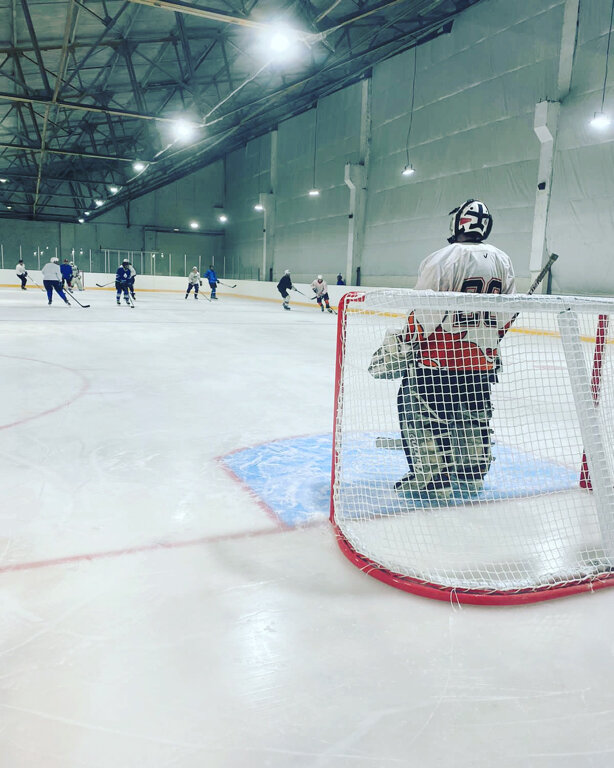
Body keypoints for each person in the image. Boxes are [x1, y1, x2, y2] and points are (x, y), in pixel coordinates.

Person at [368, 199, 515, 498]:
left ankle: (433, 479)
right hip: (480, 361)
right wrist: (489, 341)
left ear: (458, 222)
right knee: (473, 416)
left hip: (438, 360)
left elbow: (425, 311)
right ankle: (471, 474)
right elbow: (508, 313)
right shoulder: (503, 260)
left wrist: (405, 343)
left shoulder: (443, 258)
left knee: (422, 413)